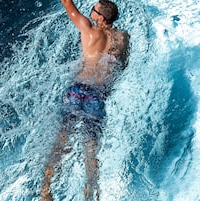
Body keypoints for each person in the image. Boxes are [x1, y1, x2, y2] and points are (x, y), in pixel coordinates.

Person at [40, 0, 129, 200]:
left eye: (94, 9)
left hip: (77, 90)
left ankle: (45, 191)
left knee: (62, 140)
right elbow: (122, 66)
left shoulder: (89, 30)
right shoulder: (123, 38)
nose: (91, 10)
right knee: (91, 148)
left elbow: (66, 2)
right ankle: (91, 193)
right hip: (98, 95)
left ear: (100, 17)